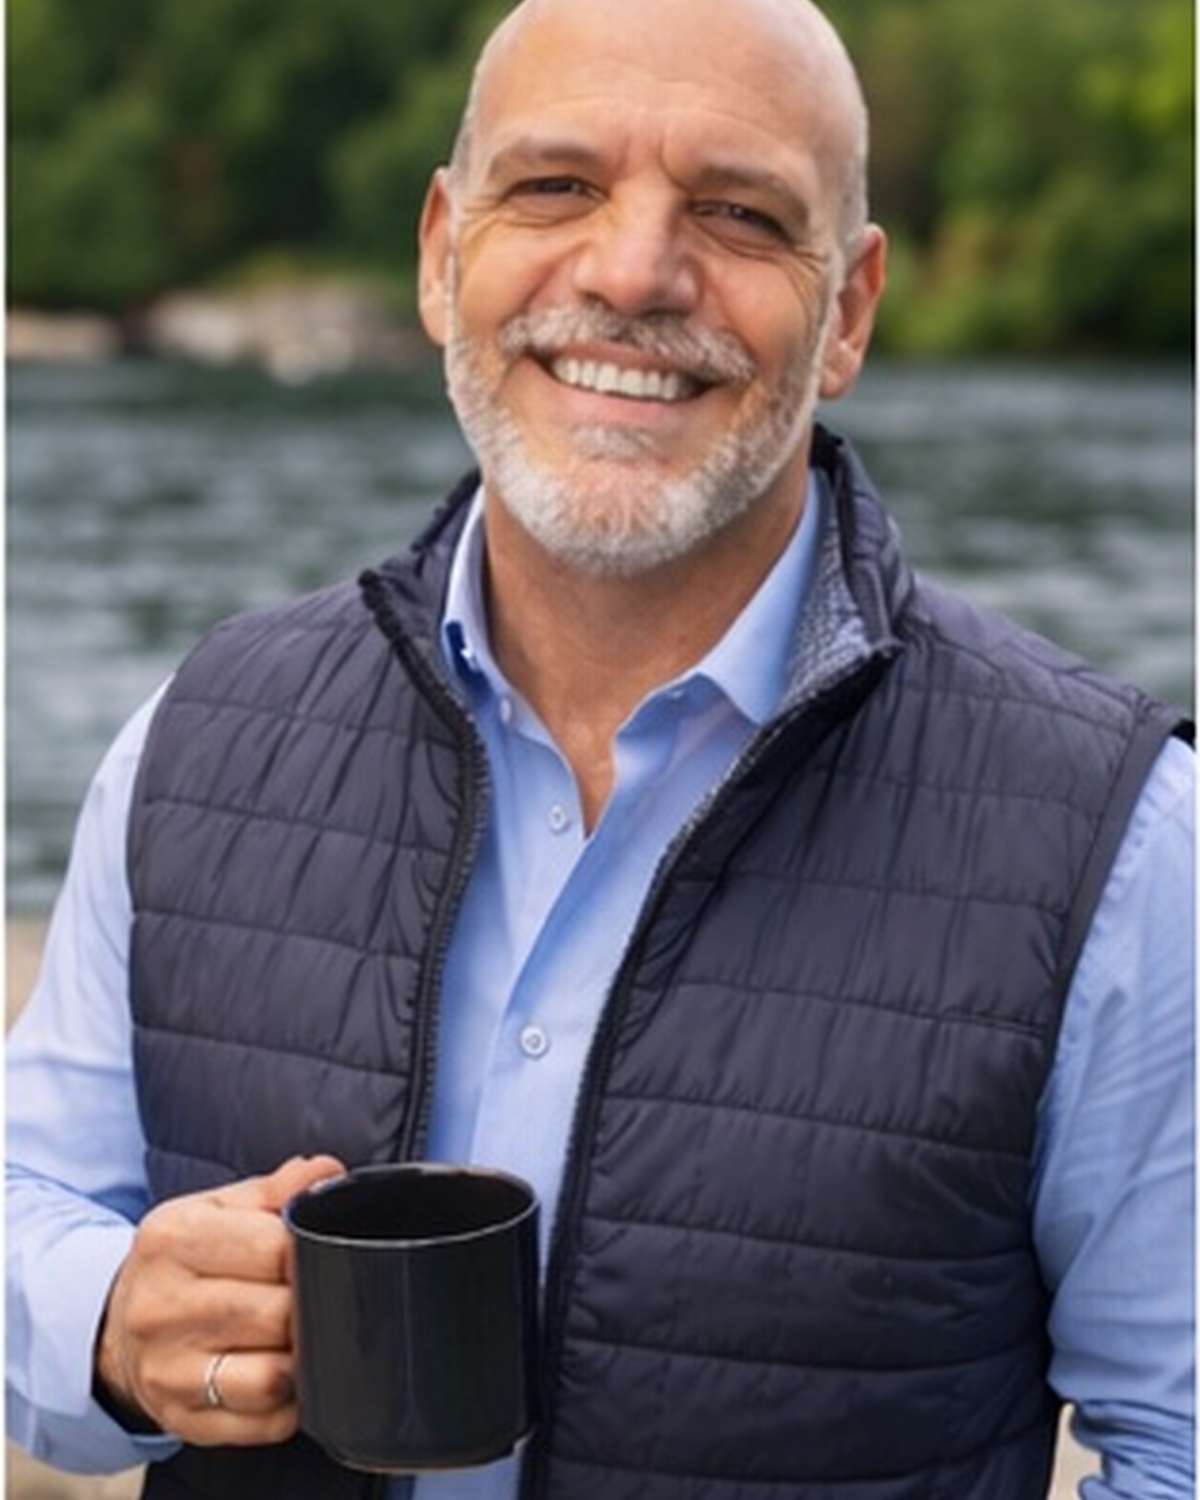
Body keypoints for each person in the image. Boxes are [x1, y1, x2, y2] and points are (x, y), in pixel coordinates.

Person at [6, 0, 1193, 1496]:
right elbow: (29, 1196)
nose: (633, 271)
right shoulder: (196, 734)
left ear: (849, 312)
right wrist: (110, 1320)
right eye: (556, 186)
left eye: (743, 212)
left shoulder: (1122, 840)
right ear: (442, 255)